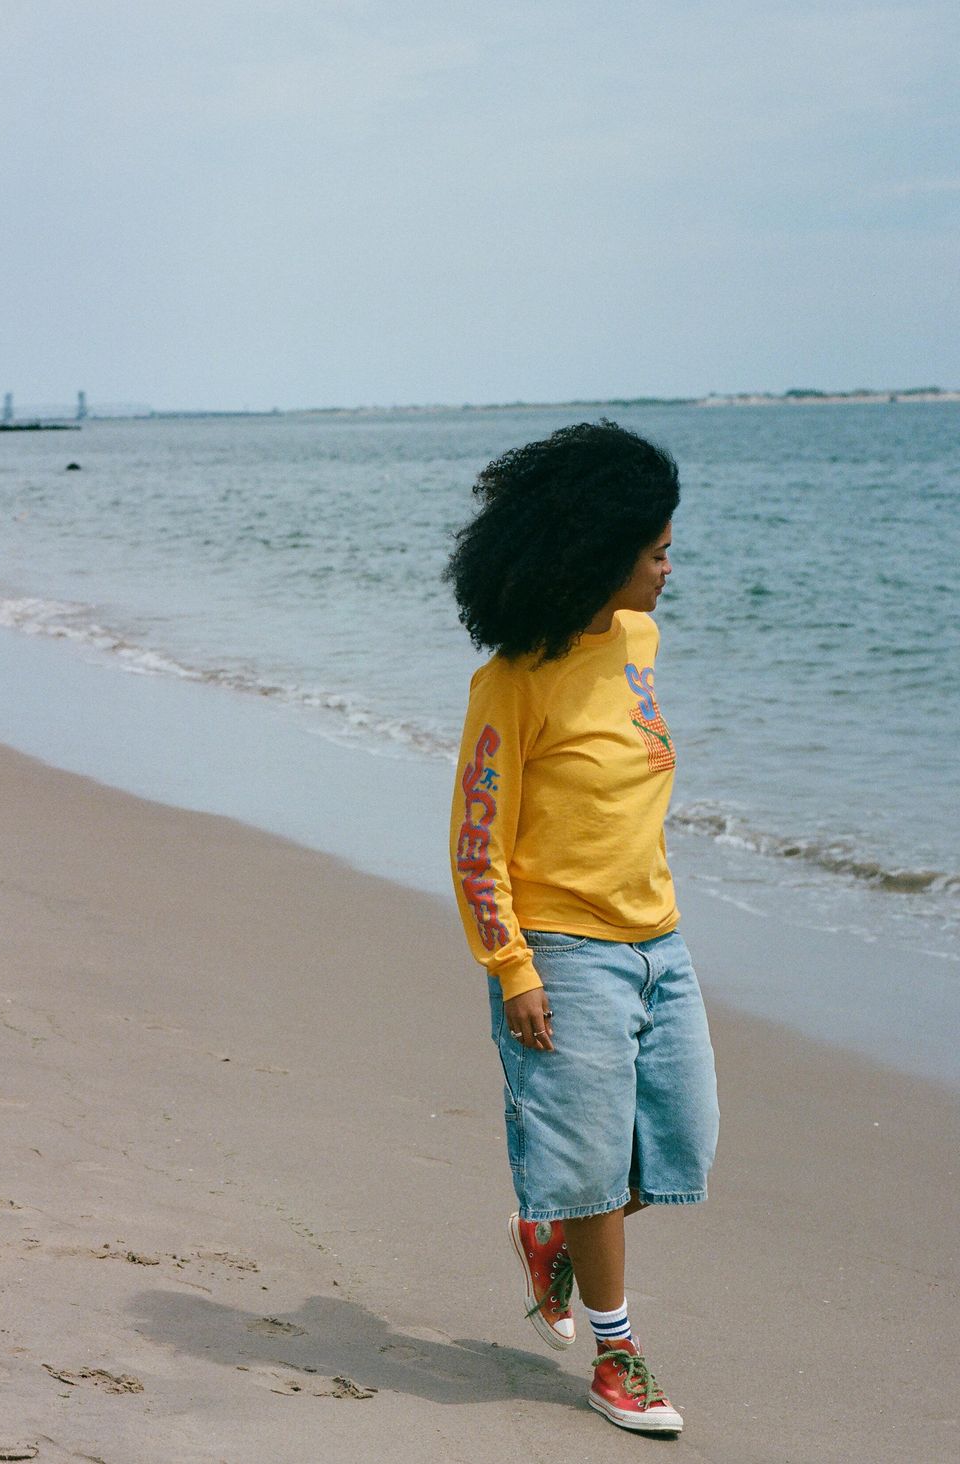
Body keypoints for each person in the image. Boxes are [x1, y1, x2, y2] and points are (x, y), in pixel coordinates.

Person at [445, 421, 713, 1437]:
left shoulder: (637, 640)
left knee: (679, 1151)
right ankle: (617, 1356)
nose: (666, 566)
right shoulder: (511, 682)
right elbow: (476, 843)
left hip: (661, 942)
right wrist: (511, 967)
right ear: (600, 557)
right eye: (653, 551)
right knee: (598, 1165)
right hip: (561, 953)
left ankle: (548, 1224)